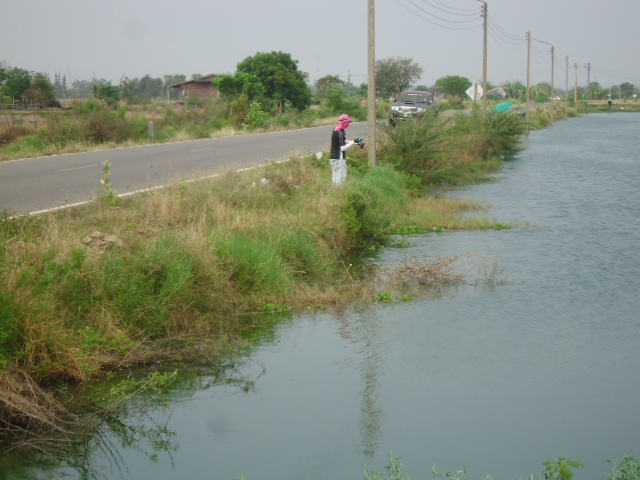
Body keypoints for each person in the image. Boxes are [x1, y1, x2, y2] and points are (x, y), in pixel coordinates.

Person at [329, 114, 364, 185]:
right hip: (339, 158)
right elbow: (342, 148)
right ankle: (339, 192)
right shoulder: (340, 132)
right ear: (344, 122)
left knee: (335, 177)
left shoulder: (337, 130)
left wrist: (356, 142)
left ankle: (334, 192)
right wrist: (353, 142)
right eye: (347, 122)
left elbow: (346, 141)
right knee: (341, 178)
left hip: (333, 158)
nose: (348, 124)